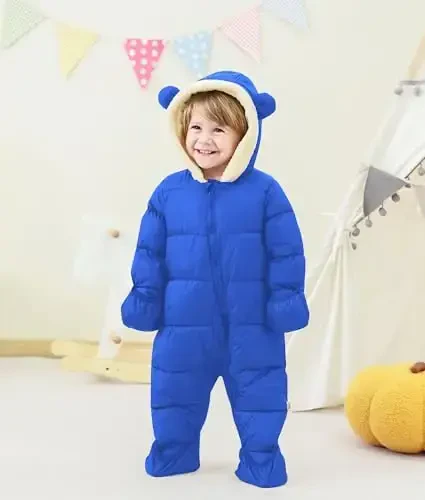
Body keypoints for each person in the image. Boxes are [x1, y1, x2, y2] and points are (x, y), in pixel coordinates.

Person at [121, 70, 310, 488]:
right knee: (174, 393)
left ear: (245, 134)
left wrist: (285, 300)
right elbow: (149, 253)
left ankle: (261, 459)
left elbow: (286, 252)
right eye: (196, 128)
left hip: (252, 326)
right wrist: (145, 297)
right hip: (182, 324)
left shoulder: (265, 192)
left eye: (218, 129)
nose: (204, 139)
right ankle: (173, 452)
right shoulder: (169, 193)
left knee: (260, 396)